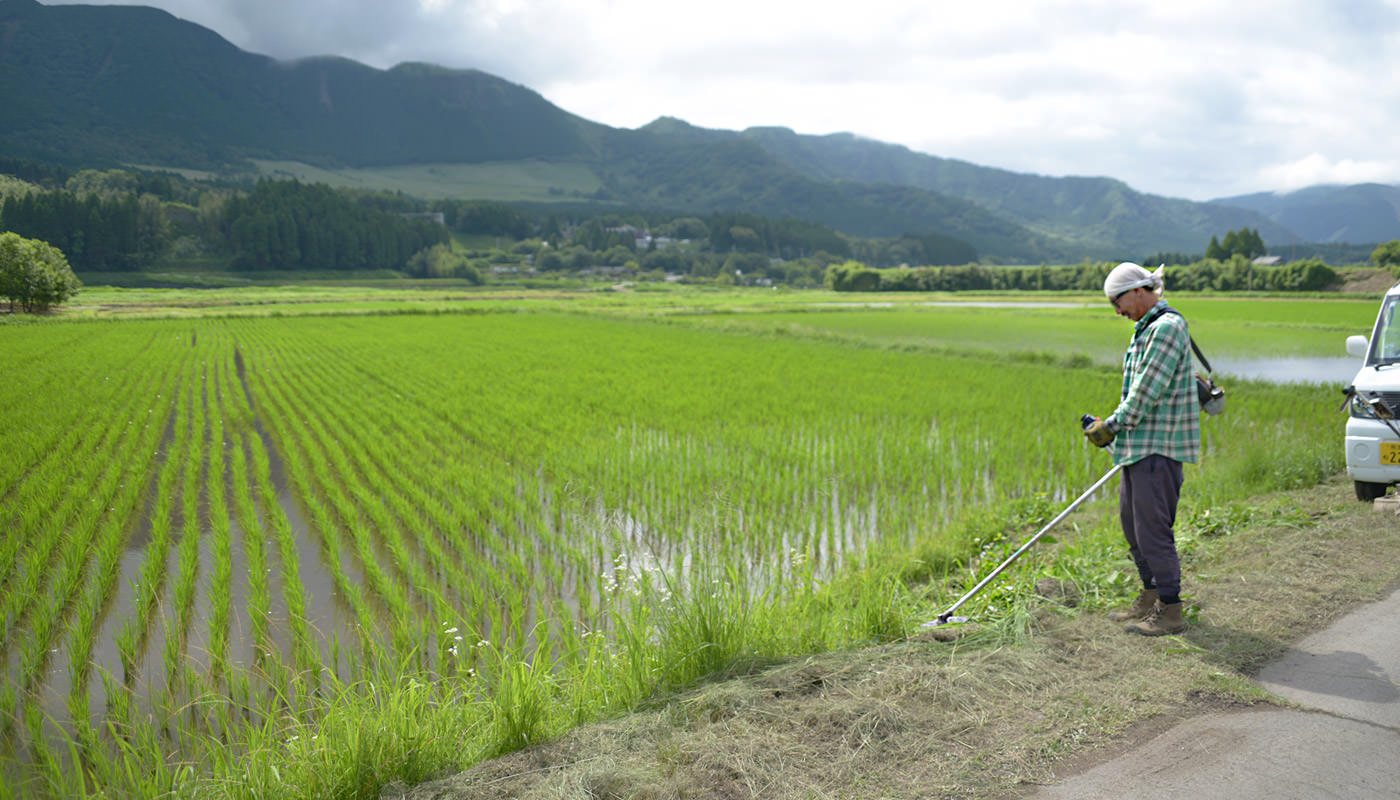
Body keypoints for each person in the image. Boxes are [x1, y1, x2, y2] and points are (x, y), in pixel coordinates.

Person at [1083, 262, 1200, 636]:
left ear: (1137, 290)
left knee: (1153, 532)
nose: (1117, 311)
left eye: (1117, 302)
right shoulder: (1145, 327)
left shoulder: (1167, 327)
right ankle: (1150, 597)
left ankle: (1171, 610)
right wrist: (1112, 429)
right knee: (1133, 529)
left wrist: (1109, 427)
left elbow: (1145, 392)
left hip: (1158, 448)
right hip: (1137, 447)